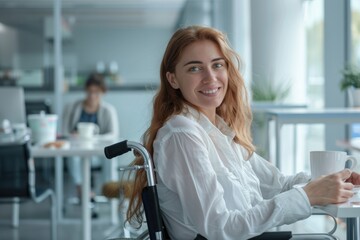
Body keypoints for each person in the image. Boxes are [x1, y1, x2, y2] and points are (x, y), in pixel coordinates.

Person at [126, 25, 360, 239]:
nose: (211, 77)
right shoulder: (182, 134)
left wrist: (328, 183)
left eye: (217, 65)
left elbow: (277, 183)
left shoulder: (217, 131)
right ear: (173, 79)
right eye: (195, 68)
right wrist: (308, 195)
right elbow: (219, 228)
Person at [62, 73, 119, 201]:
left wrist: (92, 138)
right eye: (89, 92)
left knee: (110, 157)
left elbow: (113, 135)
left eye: (96, 92)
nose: (92, 96)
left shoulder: (108, 110)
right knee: (74, 156)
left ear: (103, 92)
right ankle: (81, 189)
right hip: (77, 152)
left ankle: (109, 191)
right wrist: (73, 135)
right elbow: (64, 133)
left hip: (97, 155)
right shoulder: (72, 108)